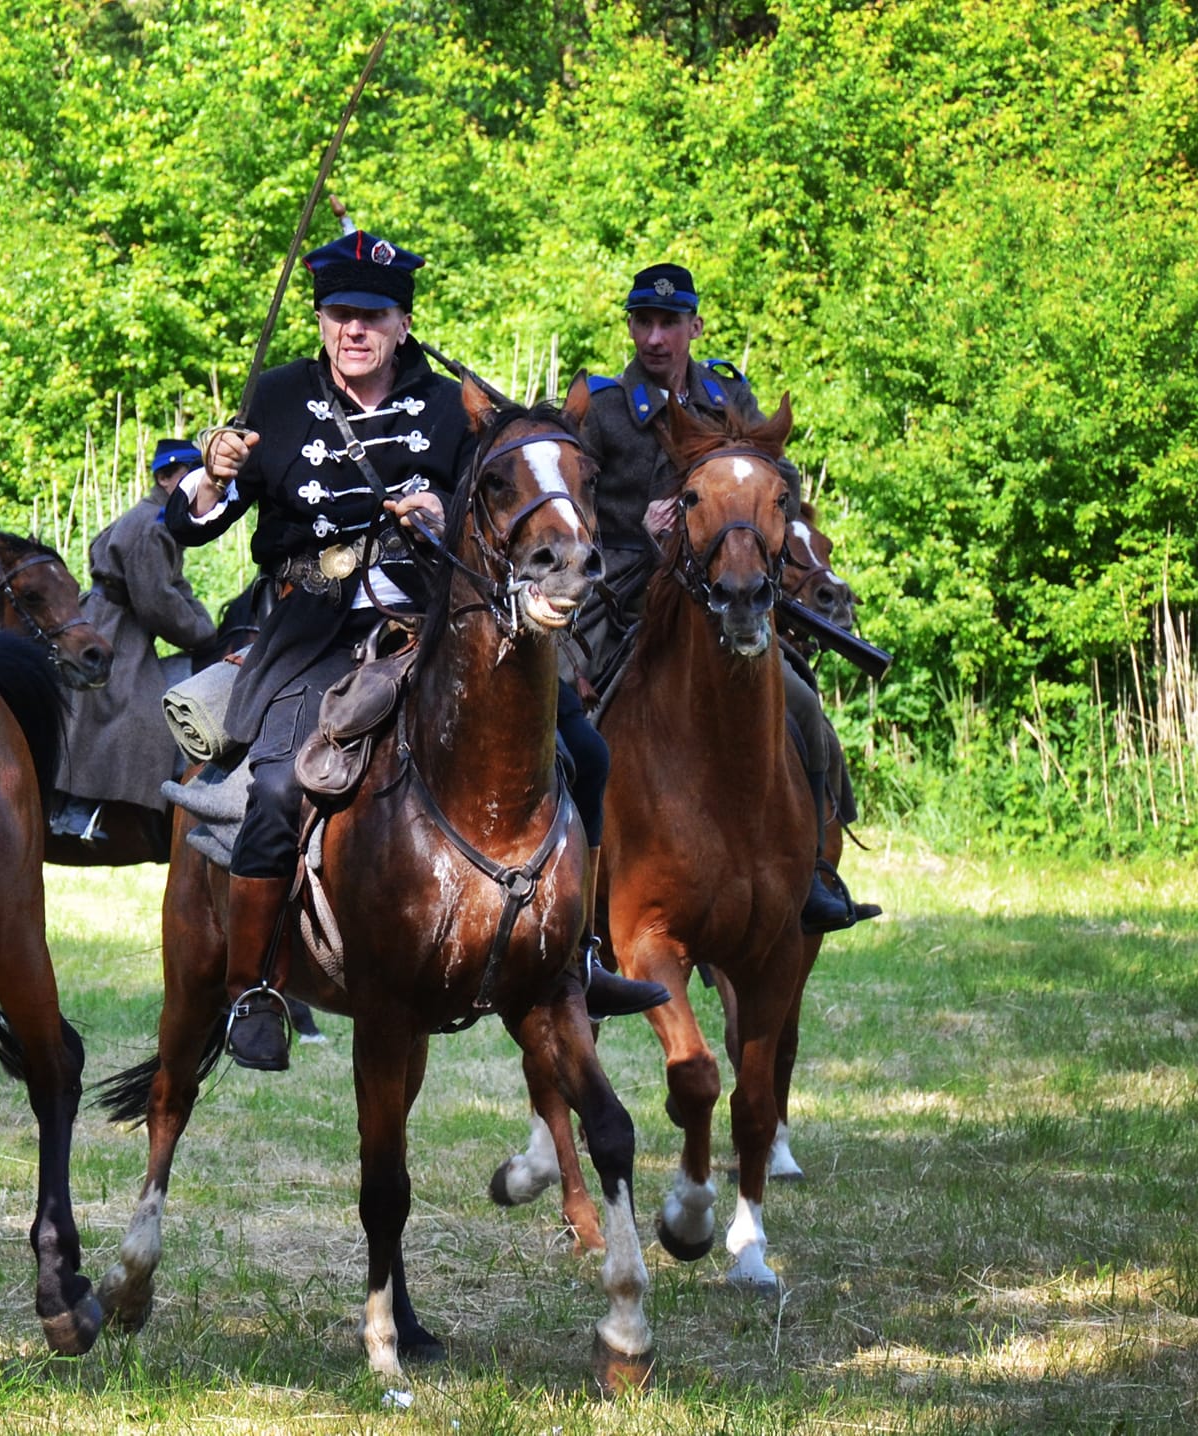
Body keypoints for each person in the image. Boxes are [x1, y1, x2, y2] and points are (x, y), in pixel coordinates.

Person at [168, 231, 664, 1072]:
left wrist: (440, 514)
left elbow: (498, 511)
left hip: (439, 619)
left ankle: (577, 952)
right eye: (339, 315)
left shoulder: (446, 407)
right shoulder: (279, 398)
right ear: (322, 319)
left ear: (403, 324)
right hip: (316, 628)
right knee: (282, 783)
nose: (353, 332)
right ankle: (254, 988)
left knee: (582, 745)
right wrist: (213, 472)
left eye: (373, 317)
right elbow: (188, 524)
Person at [579, 261, 879, 934]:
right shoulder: (601, 409)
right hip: (625, 595)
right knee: (570, 721)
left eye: (668, 323)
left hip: (723, 595)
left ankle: (817, 873)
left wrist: (757, 531)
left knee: (805, 713)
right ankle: (572, 887)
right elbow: (570, 500)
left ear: (694, 326)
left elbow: (782, 477)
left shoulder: (728, 395)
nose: (654, 338)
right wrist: (639, 529)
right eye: (642, 323)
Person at [55, 438, 220, 844]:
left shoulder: (160, 520)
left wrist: (199, 618)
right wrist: (203, 634)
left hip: (115, 619)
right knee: (130, 711)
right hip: (115, 626)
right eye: (189, 475)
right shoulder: (154, 524)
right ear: (166, 479)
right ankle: (79, 812)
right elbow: (156, 602)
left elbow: (169, 584)